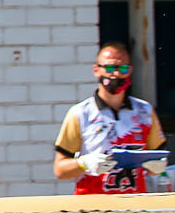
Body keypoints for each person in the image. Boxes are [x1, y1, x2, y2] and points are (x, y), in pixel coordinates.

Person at [53, 41, 167, 194]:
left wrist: (157, 166)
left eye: (123, 68)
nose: (116, 74)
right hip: (92, 208)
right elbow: (60, 170)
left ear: (130, 71)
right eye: (110, 68)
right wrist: (84, 163)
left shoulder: (144, 111)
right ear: (96, 70)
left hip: (135, 206)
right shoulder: (81, 113)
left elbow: (156, 161)